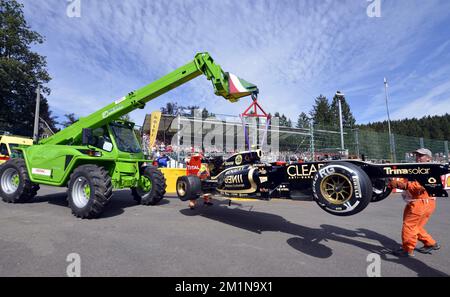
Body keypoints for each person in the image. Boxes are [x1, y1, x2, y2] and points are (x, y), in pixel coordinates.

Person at [389, 148, 440, 257]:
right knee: (416, 227)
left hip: (420, 202)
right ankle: (430, 243)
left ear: (428, 158)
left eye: (421, 155)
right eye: (416, 155)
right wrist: (393, 182)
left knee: (409, 226)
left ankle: (407, 249)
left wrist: (402, 185)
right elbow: (405, 180)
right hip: (422, 202)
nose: (417, 157)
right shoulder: (418, 168)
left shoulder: (429, 169)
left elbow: (420, 187)